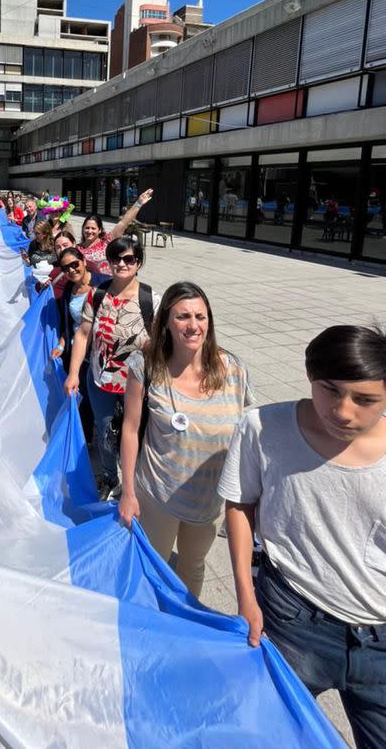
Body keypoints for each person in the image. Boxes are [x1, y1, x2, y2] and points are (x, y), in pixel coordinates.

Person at [218, 325, 386, 749]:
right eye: (330, 390)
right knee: (270, 734)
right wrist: (245, 596)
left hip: (380, 636)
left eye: (365, 400)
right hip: (293, 618)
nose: (344, 411)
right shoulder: (262, 427)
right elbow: (239, 505)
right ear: (311, 377)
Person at [118, 281, 253, 597]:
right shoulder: (146, 366)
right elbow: (130, 428)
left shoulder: (233, 369)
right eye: (183, 317)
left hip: (209, 499)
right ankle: (149, 619)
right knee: (154, 565)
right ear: (166, 321)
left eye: (200, 316)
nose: (194, 326)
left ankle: (186, 624)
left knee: (193, 565)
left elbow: (246, 434)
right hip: (157, 493)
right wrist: (127, 492)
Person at [64, 238, 159, 499]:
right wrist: (73, 373)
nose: (122, 264)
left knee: (137, 434)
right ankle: (108, 476)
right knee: (105, 432)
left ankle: (134, 482)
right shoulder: (97, 295)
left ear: (138, 263)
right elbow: (83, 335)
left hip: (137, 385)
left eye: (129, 259)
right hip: (101, 380)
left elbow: (161, 345)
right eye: (116, 258)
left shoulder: (151, 299)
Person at [51, 247, 108, 444]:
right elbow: (69, 324)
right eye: (66, 268)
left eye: (75, 264)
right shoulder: (69, 289)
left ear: (83, 261)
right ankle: (85, 441)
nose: (71, 270)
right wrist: (61, 344)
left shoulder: (103, 283)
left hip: (102, 353)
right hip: (79, 352)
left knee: (102, 402)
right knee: (81, 397)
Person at [79, 190, 154, 275]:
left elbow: (124, 222)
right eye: (87, 228)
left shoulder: (106, 241)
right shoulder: (77, 249)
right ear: (83, 229)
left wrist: (138, 203)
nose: (89, 231)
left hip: (108, 285)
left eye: (93, 228)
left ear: (99, 230)